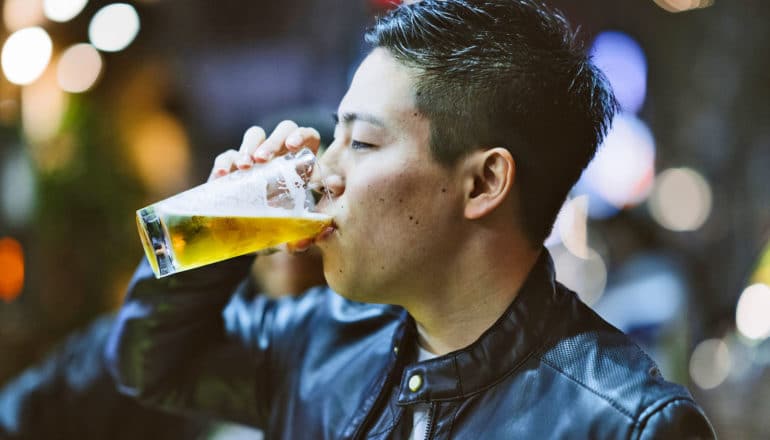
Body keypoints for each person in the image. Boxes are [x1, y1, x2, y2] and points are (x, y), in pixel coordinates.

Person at [107, 1, 715, 438]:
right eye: (332, 136)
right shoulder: (321, 343)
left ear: (483, 182)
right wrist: (224, 217)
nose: (321, 171)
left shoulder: (624, 423)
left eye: (362, 143)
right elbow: (150, 364)